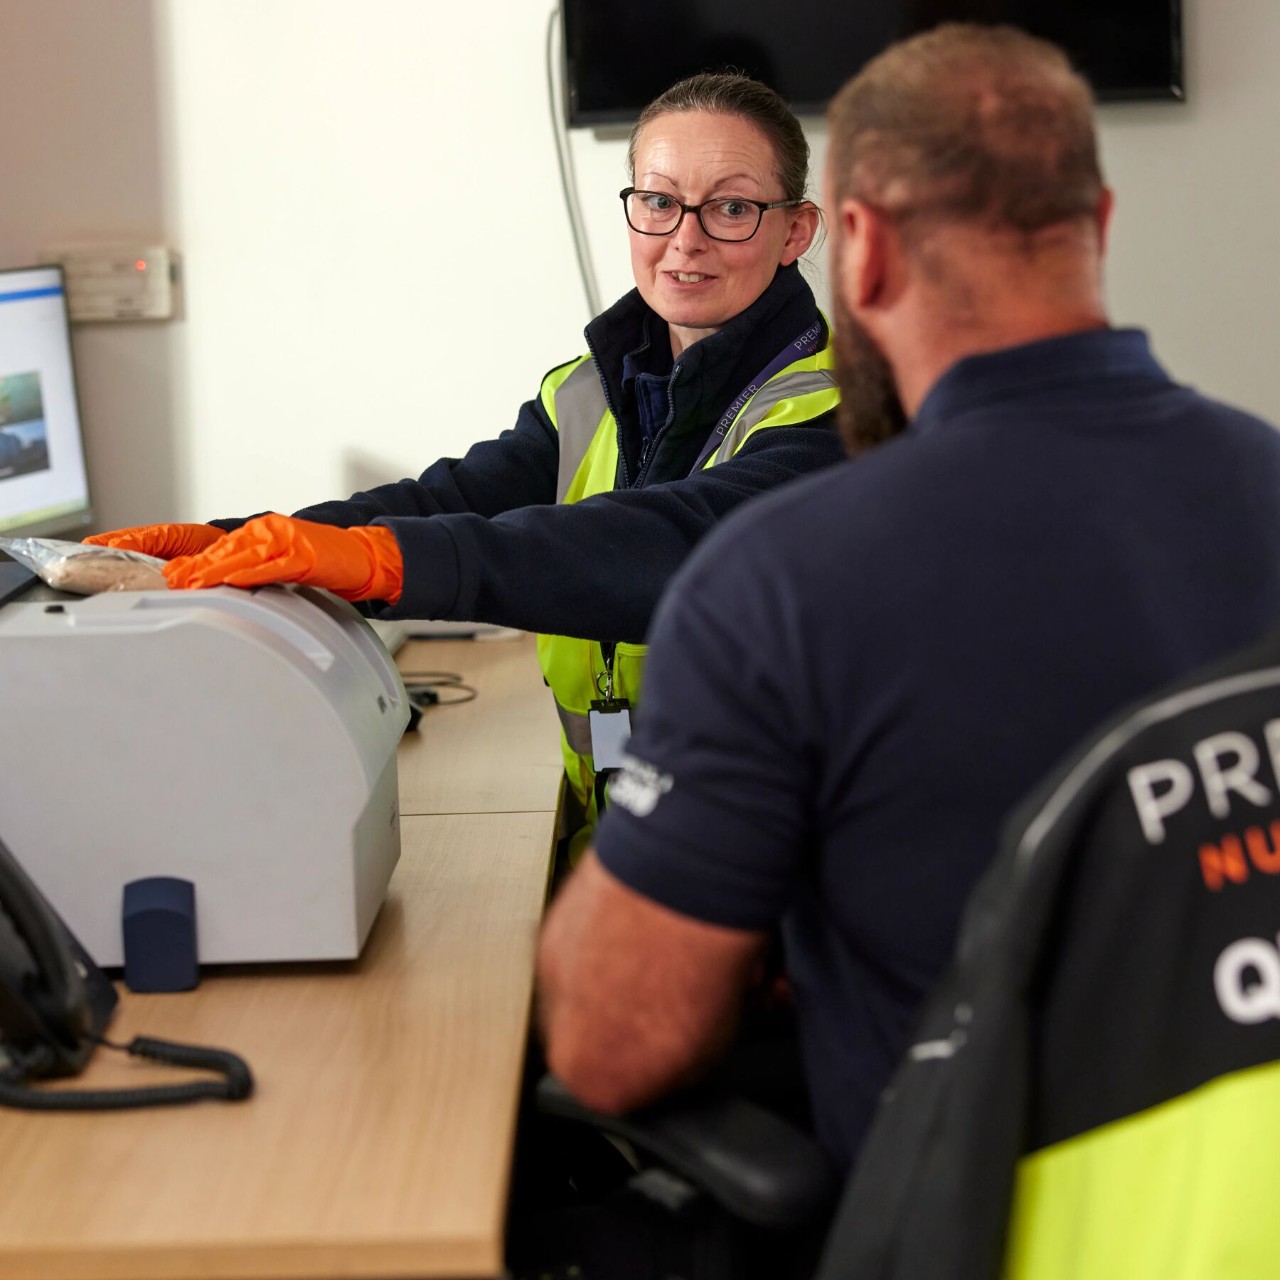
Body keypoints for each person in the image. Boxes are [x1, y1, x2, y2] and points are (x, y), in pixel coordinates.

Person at [534, 22, 1280, 1179]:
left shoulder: (777, 579)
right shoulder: (1264, 477)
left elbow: (610, 1044)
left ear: (855, 249)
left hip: (961, 1215)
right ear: (1098, 223)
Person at [87, 72, 844, 846]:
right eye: (658, 201)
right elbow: (451, 501)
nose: (685, 238)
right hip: (636, 845)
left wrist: (385, 562)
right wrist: (233, 540)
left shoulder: (838, 413)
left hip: (776, 882)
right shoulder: (589, 393)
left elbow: (674, 545)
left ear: (795, 231)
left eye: (732, 208)